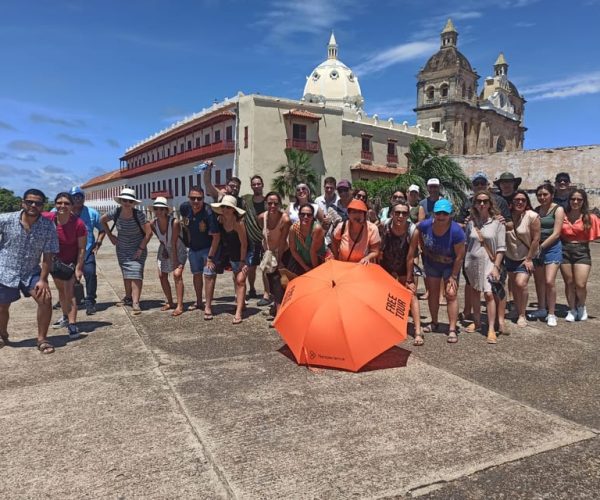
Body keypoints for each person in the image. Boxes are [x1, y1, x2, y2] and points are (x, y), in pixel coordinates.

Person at [0, 189, 58, 353]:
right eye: (30, 202)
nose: (33, 205)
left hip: (31, 271)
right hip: (5, 270)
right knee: (2, 307)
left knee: (45, 300)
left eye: (38, 203)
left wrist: (43, 279)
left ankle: (42, 339)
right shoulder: (5, 219)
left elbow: (48, 255)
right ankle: (2, 333)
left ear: (42, 206)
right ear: (22, 203)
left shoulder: (48, 227)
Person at [406, 199, 465, 343]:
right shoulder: (426, 225)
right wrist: (423, 248)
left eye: (445, 213)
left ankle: (452, 328)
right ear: (434, 214)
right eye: (439, 213)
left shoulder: (456, 231)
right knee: (432, 293)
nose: (441, 216)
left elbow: (459, 257)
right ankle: (434, 322)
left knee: (451, 294)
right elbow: (417, 230)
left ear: (450, 214)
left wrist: (454, 276)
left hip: (450, 265)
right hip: (432, 262)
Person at [101, 188, 153, 315]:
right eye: (124, 200)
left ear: (133, 203)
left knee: (136, 273)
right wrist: (110, 235)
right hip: (122, 248)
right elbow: (102, 220)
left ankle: (136, 302)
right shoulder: (116, 212)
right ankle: (128, 297)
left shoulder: (139, 215)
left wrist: (141, 248)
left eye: (130, 201)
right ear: (120, 201)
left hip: (137, 247)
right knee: (126, 273)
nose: (127, 203)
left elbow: (149, 233)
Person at [463, 191, 506, 343]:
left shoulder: (497, 223)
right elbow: (467, 243)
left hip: (490, 262)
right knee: (475, 291)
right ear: (474, 204)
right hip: (472, 262)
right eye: (478, 201)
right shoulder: (470, 223)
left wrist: (496, 266)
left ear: (490, 204)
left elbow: (501, 248)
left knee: (488, 293)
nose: (482, 204)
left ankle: (491, 328)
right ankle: (477, 321)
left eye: (485, 201)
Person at [44, 192, 87, 340]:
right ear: (55, 204)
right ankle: (65, 316)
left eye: (66, 203)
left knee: (70, 293)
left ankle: (73, 323)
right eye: (59, 203)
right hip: (55, 263)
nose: (62, 206)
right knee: (61, 292)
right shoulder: (49, 218)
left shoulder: (78, 224)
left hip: (70, 263)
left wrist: (79, 267)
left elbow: (82, 248)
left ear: (72, 205)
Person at [380, 201, 423, 346]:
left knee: (411, 294)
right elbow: (380, 249)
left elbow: (410, 256)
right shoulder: (385, 226)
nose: (400, 216)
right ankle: (389, 326)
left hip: (404, 263)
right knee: (387, 296)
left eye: (404, 213)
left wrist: (409, 278)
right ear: (392, 214)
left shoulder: (413, 230)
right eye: (397, 212)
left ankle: (417, 330)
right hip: (387, 263)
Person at [179, 186, 221, 318]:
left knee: (208, 275)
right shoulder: (184, 208)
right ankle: (198, 301)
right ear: (188, 198)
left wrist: (210, 257)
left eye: (199, 198)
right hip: (193, 248)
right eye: (193, 198)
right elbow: (185, 225)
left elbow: (216, 236)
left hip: (208, 248)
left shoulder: (208, 212)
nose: (196, 201)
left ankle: (208, 306)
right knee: (196, 275)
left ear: (203, 198)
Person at [560, 188, 600, 321]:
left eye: (579, 199)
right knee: (569, 282)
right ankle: (571, 309)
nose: (575, 201)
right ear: (569, 200)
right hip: (564, 250)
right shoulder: (563, 215)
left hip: (582, 250)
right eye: (573, 199)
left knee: (580, 284)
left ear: (583, 201)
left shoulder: (590, 217)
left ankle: (581, 306)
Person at [530, 183, 565, 326]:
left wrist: (541, 247)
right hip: (537, 247)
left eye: (545, 194)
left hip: (551, 248)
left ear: (552, 195)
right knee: (539, 281)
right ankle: (541, 308)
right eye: (539, 195)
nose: (542, 197)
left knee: (549, 281)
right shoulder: (537, 210)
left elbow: (557, 233)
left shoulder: (558, 209)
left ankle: (551, 313)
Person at [505, 190, 540, 327]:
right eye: (516, 200)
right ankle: (516, 309)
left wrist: (529, 258)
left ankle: (522, 314)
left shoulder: (532, 216)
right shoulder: (506, 217)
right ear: (511, 203)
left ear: (527, 202)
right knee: (513, 285)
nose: (520, 202)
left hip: (526, 257)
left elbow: (536, 238)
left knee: (521, 283)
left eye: (523, 200)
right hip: (510, 256)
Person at [210, 195, 248, 324]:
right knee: (237, 278)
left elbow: (244, 244)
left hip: (244, 253)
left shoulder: (239, 223)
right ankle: (242, 304)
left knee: (240, 280)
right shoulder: (220, 220)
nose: (225, 209)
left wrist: (243, 261)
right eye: (223, 206)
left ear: (233, 210)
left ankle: (238, 312)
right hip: (232, 253)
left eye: (228, 207)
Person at [68, 186, 105, 315]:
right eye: (74, 197)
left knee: (90, 274)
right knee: (67, 277)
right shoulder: (60, 211)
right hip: (68, 252)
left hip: (87, 250)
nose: (77, 199)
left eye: (80, 197)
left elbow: (102, 229)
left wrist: (98, 242)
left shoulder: (92, 213)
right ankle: (68, 299)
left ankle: (90, 300)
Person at [151, 197, 187, 316]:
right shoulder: (153, 223)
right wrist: (164, 249)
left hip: (177, 248)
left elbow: (173, 241)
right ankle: (170, 302)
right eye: (156, 209)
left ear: (166, 210)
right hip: (165, 247)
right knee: (162, 275)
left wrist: (175, 260)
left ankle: (180, 306)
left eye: (161, 209)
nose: (158, 211)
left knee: (177, 275)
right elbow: (161, 238)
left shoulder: (174, 222)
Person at [258, 192, 291, 317]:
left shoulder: (285, 220)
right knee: (271, 284)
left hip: (282, 253)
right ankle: (276, 308)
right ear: (266, 204)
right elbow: (263, 235)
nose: (272, 206)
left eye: (275, 203)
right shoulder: (261, 217)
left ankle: (279, 313)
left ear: (280, 205)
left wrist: (279, 260)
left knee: (279, 283)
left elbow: (282, 241)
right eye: (270, 203)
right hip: (269, 254)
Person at [242, 175, 270, 306]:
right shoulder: (246, 200)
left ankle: (266, 293)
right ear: (251, 186)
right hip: (252, 239)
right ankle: (252, 289)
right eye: (254, 184)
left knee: (265, 267)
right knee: (252, 267)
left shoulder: (268, 202)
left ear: (262, 185)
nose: (256, 186)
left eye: (259, 184)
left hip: (266, 239)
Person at [332, 199, 380, 264]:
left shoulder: (372, 229)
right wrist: (336, 257)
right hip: (344, 267)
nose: (357, 215)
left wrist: (367, 258)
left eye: (360, 212)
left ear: (364, 215)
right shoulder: (341, 227)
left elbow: (375, 251)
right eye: (354, 212)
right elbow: (334, 241)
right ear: (348, 214)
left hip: (363, 268)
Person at [288, 204, 327, 274]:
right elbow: (293, 250)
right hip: (301, 261)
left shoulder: (316, 229)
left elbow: (313, 252)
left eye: (309, 215)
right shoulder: (293, 229)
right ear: (299, 215)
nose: (305, 217)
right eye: (302, 214)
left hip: (317, 261)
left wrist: (315, 271)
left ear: (312, 217)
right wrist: (305, 267)